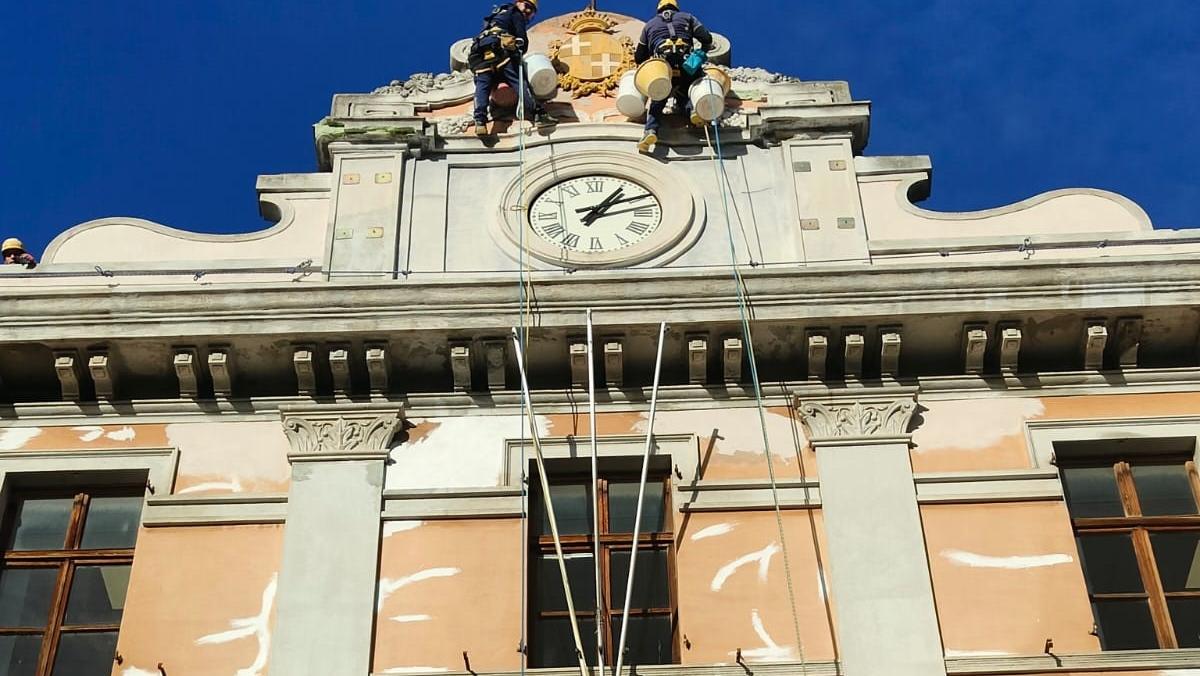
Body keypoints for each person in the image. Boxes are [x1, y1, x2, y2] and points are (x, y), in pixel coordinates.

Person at [634, 0, 714, 153]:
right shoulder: (687, 17)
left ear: (659, 9)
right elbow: (706, 38)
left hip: (663, 66)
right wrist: (701, 52)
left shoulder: (649, 25)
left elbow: (639, 57)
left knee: (658, 97)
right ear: (676, 7)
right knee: (687, 90)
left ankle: (650, 131)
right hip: (687, 63)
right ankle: (693, 111)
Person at [468, 0, 557, 137]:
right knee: (519, 81)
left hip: (479, 53)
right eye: (527, 6)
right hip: (500, 50)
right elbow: (521, 38)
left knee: (482, 85)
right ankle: (538, 115)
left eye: (531, 10)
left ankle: (480, 122)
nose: (527, 11)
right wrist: (519, 49)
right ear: (519, 3)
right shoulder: (515, 13)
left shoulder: (497, 15)